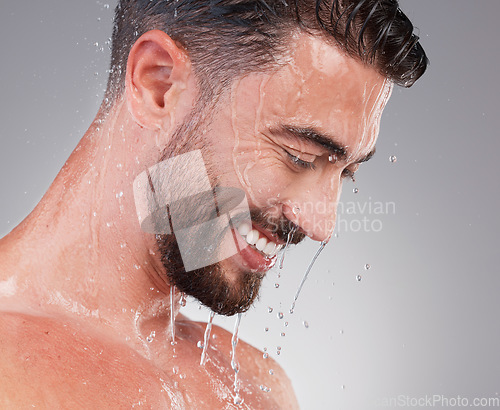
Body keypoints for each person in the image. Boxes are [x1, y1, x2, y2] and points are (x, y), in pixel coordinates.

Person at [0, 0, 427, 407]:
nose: (322, 224)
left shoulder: (260, 386)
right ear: (159, 85)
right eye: (299, 156)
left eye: (345, 173)